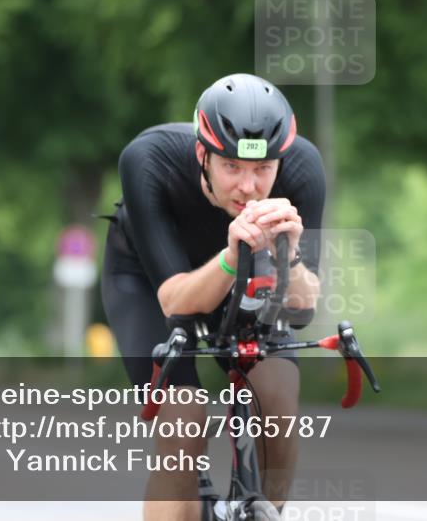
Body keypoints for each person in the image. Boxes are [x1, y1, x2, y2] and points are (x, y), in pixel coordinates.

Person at [101, 73, 326, 520]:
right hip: (149, 282)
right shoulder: (148, 159)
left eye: (262, 169)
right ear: (202, 154)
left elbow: (303, 306)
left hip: (248, 268)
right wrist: (230, 256)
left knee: (278, 401)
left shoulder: (303, 168)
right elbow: (174, 303)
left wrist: (290, 256)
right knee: (183, 423)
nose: (248, 187)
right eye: (232, 167)